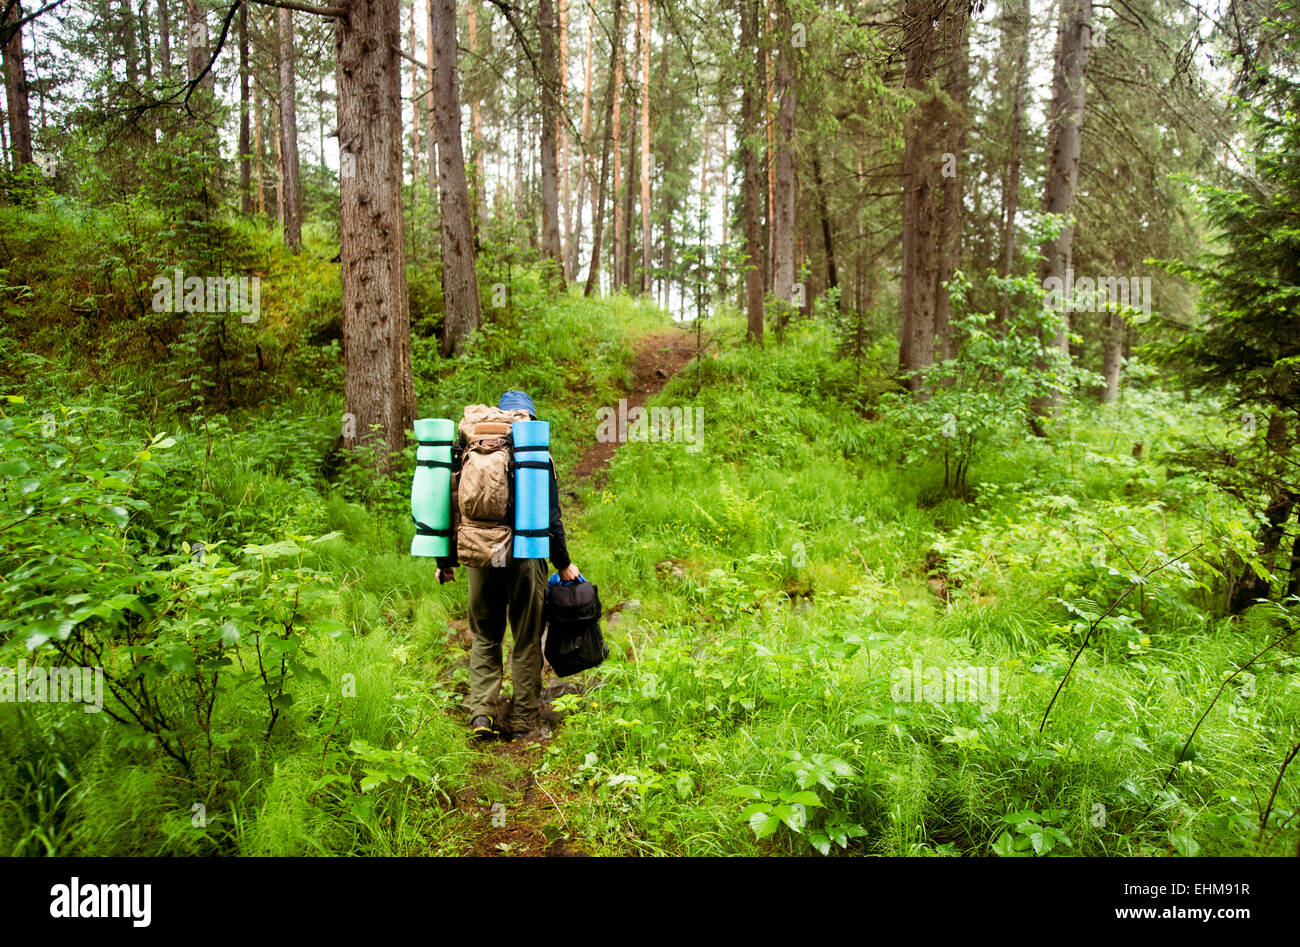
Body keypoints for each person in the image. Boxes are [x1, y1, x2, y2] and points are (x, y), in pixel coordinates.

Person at [436, 390, 581, 741]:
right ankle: (522, 720)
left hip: (480, 553)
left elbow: (452, 501)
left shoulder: (471, 446)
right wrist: (563, 564)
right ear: (529, 416)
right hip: (524, 556)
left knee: (485, 635)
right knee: (527, 638)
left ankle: (482, 715)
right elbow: (550, 518)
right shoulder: (532, 451)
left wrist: (446, 559)